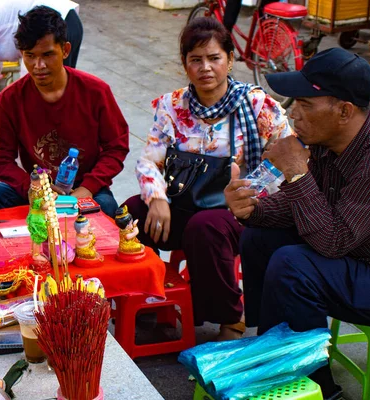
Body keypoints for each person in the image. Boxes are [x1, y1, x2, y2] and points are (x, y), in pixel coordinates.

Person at [122, 17, 292, 340]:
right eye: (195, 59)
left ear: (230, 59)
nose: (206, 68)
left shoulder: (255, 104)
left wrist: (250, 190)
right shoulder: (172, 106)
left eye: (214, 58)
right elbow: (149, 160)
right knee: (131, 213)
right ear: (184, 64)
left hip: (238, 213)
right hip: (183, 202)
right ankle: (151, 300)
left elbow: (289, 153)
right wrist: (157, 198)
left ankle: (228, 316)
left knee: (206, 227)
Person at [225, 47, 370, 400]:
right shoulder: (325, 141)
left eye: (305, 104)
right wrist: (250, 209)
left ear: (344, 111)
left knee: (294, 265)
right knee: (259, 237)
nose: (293, 114)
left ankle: (317, 387)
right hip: (350, 251)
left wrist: (295, 170)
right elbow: (304, 208)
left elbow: (332, 241)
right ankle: (273, 352)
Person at [0, 6, 128, 218]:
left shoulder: (96, 91)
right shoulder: (10, 99)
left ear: (65, 50)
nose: (39, 65)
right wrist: (33, 187)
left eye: (47, 54)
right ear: (21, 54)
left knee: (106, 208)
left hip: (83, 187)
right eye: (30, 56)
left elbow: (116, 147)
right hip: (36, 187)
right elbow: (1, 158)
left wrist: (88, 188)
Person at [0, 0, 83, 130]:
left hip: (59, 25)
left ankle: (60, 133)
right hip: (70, 22)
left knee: (50, 92)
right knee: (55, 91)